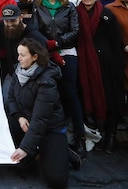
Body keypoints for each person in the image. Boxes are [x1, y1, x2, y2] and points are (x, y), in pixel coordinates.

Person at [7, 38, 79, 188]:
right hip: (28, 122)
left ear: (35, 57)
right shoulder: (18, 71)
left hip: (50, 128)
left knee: (56, 180)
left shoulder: (47, 81)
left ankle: (65, 152)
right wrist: (19, 117)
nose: (18, 58)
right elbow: (11, 98)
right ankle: (35, 151)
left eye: (22, 55)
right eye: (18, 54)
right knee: (22, 163)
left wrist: (25, 148)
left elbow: (41, 119)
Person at [29, 0, 86, 157]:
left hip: (67, 51)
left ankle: (79, 137)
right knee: (50, 93)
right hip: (46, 54)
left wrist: (58, 44)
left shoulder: (68, 6)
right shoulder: (38, 6)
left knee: (70, 92)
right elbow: (34, 30)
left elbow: (75, 30)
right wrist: (49, 47)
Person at [76, 0, 125, 153]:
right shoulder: (76, 13)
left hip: (106, 64)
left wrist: (117, 64)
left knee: (109, 99)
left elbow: (116, 40)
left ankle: (110, 137)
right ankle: (96, 134)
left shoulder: (106, 14)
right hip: (84, 64)